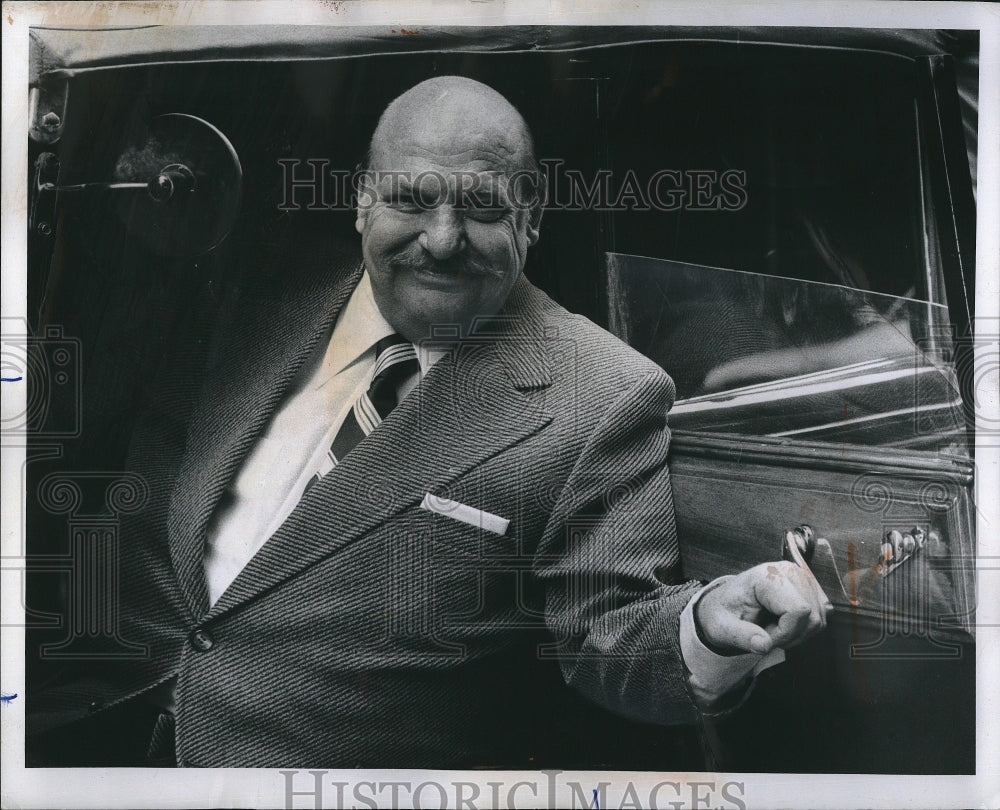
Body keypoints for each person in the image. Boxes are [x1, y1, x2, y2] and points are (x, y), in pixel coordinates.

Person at [26, 76, 830, 768]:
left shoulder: (603, 395)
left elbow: (612, 632)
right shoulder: (249, 297)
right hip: (80, 738)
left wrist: (711, 625)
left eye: (481, 208)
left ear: (532, 219)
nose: (441, 241)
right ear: (360, 200)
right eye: (411, 199)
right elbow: (141, 511)